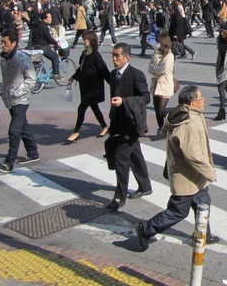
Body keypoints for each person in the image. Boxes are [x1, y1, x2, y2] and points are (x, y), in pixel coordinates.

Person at [134, 86, 221, 251]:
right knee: (177, 211)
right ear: (192, 101)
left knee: (203, 202)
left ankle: (204, 234)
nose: (204, 100)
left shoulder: (186, 113)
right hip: (187, 177)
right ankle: (146, 229)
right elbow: (193, 155)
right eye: (201, 97)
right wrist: (209, 172)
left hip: (194, 177)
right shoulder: (189, 122)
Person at [105, 42, 153, 211]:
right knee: (135, 154)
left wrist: (125, 102)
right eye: (113, 54)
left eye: (117, 55)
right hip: (118, 122)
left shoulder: (135, 74)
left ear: (127, 57)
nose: (114, 58)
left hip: (132, 124)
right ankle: (145, 186)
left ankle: (119, 197)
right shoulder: (113, 75)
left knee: (121, 158)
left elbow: (146, 97)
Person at [0, 28, 39, 172]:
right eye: (1, 42)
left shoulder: (21, 58)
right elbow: (5, 78)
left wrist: (17, 92)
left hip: (21, 99)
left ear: (14, 43)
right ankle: (33, 152)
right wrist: (4, 91)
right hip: (9, 98)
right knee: (22, 126)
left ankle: (9, 162)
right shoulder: (3, 58)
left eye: (5, 42)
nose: (2, 45)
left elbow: (31, 78)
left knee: (14, 130)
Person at [66, 31, 111, 143]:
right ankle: (105, 126)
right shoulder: (84, 54)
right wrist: (73, 77)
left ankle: (76, 132)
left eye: (85, 39)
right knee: (94, 108)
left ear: (91, 40)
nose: (83, 41)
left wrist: (113, 83)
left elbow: (104, 71)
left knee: (81, 108)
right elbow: (81, 68)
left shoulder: (96, 55)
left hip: (93, 87)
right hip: (85, 86)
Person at [148, 33, 177, 137]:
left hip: (165, 84)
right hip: (156, 83)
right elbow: (149, 67)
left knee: (161, 110)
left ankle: (175, 117)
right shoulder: (155, 53)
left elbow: (163, 69)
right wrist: (155, 69)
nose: (157, 44)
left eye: (159, 42)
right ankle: (161, 129)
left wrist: (154, 69)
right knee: (156, 109)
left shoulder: (170, 55)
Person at [28, 11, 62, 78]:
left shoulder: (35, 25)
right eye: (50, 17)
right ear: (44, 19)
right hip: (42, 47)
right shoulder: (43, 27)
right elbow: (49, 38)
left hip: (34, 46)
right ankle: (56, 74)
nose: (51, 18)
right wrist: (56, 43)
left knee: (37, 61)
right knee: (55, 57)